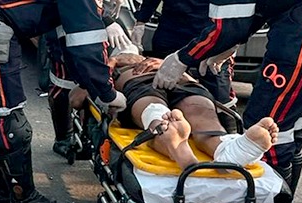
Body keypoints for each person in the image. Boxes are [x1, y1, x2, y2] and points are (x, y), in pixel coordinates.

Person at [151, 0, 302, 203]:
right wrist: (229, 43)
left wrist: (183, 58)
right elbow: (253, 9)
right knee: (291, 111)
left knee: (269, 120)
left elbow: (230, 23)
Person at [0, 0, 127, 203]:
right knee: (7, 115)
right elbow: (85, 42)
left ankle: (6, 189)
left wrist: (87, 80)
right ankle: (24, 200)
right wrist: (106, 92)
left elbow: (68, 36)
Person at [71, 54, 279, 168]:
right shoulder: (112, 59)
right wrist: (112, 63)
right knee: (197, 113)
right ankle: (225, 149)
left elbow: (75, 99)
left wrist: (110, 67)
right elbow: (77, 98)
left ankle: (174, 139)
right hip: (173, 77)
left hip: (154, 78)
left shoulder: (107, 59)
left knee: (157, 111)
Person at [46, 2, 134, 158]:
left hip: (88, 18)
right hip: (69, 23)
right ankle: (63, 139)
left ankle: (86, 134)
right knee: (63, 83)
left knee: (90, 81)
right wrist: (106, 20)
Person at [130, 0, 236, 107]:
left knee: (221, 99)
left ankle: (225, 119)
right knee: (161, 91)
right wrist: (141, 21)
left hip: (209, 41)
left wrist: (233, 39)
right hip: (172, 36)